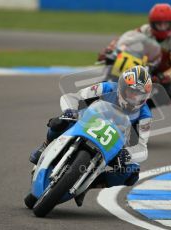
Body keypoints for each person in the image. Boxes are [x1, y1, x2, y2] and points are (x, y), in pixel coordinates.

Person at [29, 66, 152, 207]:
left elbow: (142, 147)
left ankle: (90, 184)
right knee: (59, 122)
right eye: (132, 92)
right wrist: (70, 111)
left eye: (140, 94)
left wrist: (128, 154)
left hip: (113, 144)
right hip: (85, 124)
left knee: (131, 172)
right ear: (122, 87)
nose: (135, 97)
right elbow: (72, 97)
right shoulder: (106, 88)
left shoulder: (145, 115)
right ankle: (44, 146)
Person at [98, 3, 171, 103]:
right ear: (152, 24)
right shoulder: (145, 29)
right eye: (159, 24)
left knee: (167, 96)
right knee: (115, 68)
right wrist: (109, 49)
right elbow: (126, 38)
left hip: (163, 70)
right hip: (145, 62)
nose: (162, 28)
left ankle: (141, 113)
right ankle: (99, 93)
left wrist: (163, 76)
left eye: (166, 24)